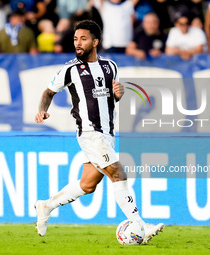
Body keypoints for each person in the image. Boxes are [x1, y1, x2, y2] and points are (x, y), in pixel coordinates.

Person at [34, 20, 164, 243]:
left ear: (95, 42)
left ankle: (46, 206)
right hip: (90, 133)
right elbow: (48, 92)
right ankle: (141, 225)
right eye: (76, 39)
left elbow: (110, 97)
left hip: (107, 134)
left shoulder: (110, 66)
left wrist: (119, 94)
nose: (78, 43)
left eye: (83, 39)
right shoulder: (69, 69)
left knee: (87, 184)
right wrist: (42, 111)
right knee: (118, 173)